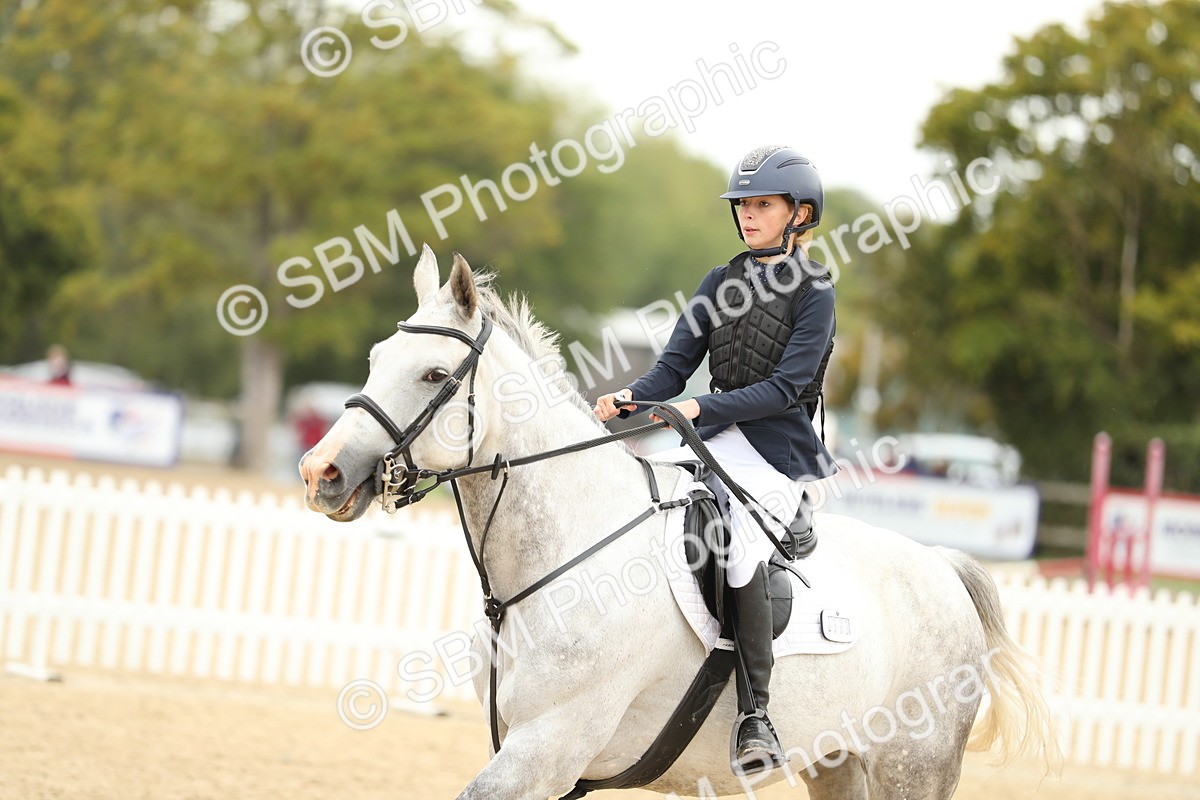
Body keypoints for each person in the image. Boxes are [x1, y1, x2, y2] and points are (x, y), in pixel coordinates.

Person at [593, 145, 837, 775]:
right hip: (712, 440)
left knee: (743, 549)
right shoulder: (719, 283)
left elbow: (786, 389)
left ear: (799, 213)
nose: (749, 216)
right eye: (744, 206)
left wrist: (703, 408)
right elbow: (671, 369)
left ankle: (756, 716)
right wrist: (628, 398)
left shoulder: (815, 292)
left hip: (778, 452)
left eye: (763, 205)